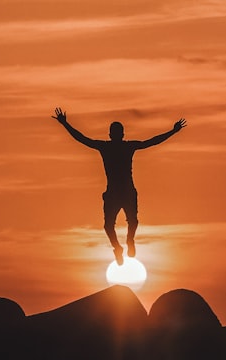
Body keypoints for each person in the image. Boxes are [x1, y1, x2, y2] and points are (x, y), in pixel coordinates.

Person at [53, 107, 186, 265]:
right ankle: (118, 248)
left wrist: (65, 124)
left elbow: (151, 142)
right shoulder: (113, 147)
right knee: (113, 225)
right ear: (116, 134)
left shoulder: (118, 147)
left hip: (123, 192)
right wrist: (65, 124)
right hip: (117, 193)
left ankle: (128, 241)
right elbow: (82, 139)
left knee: (127, 222)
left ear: (117, 134)